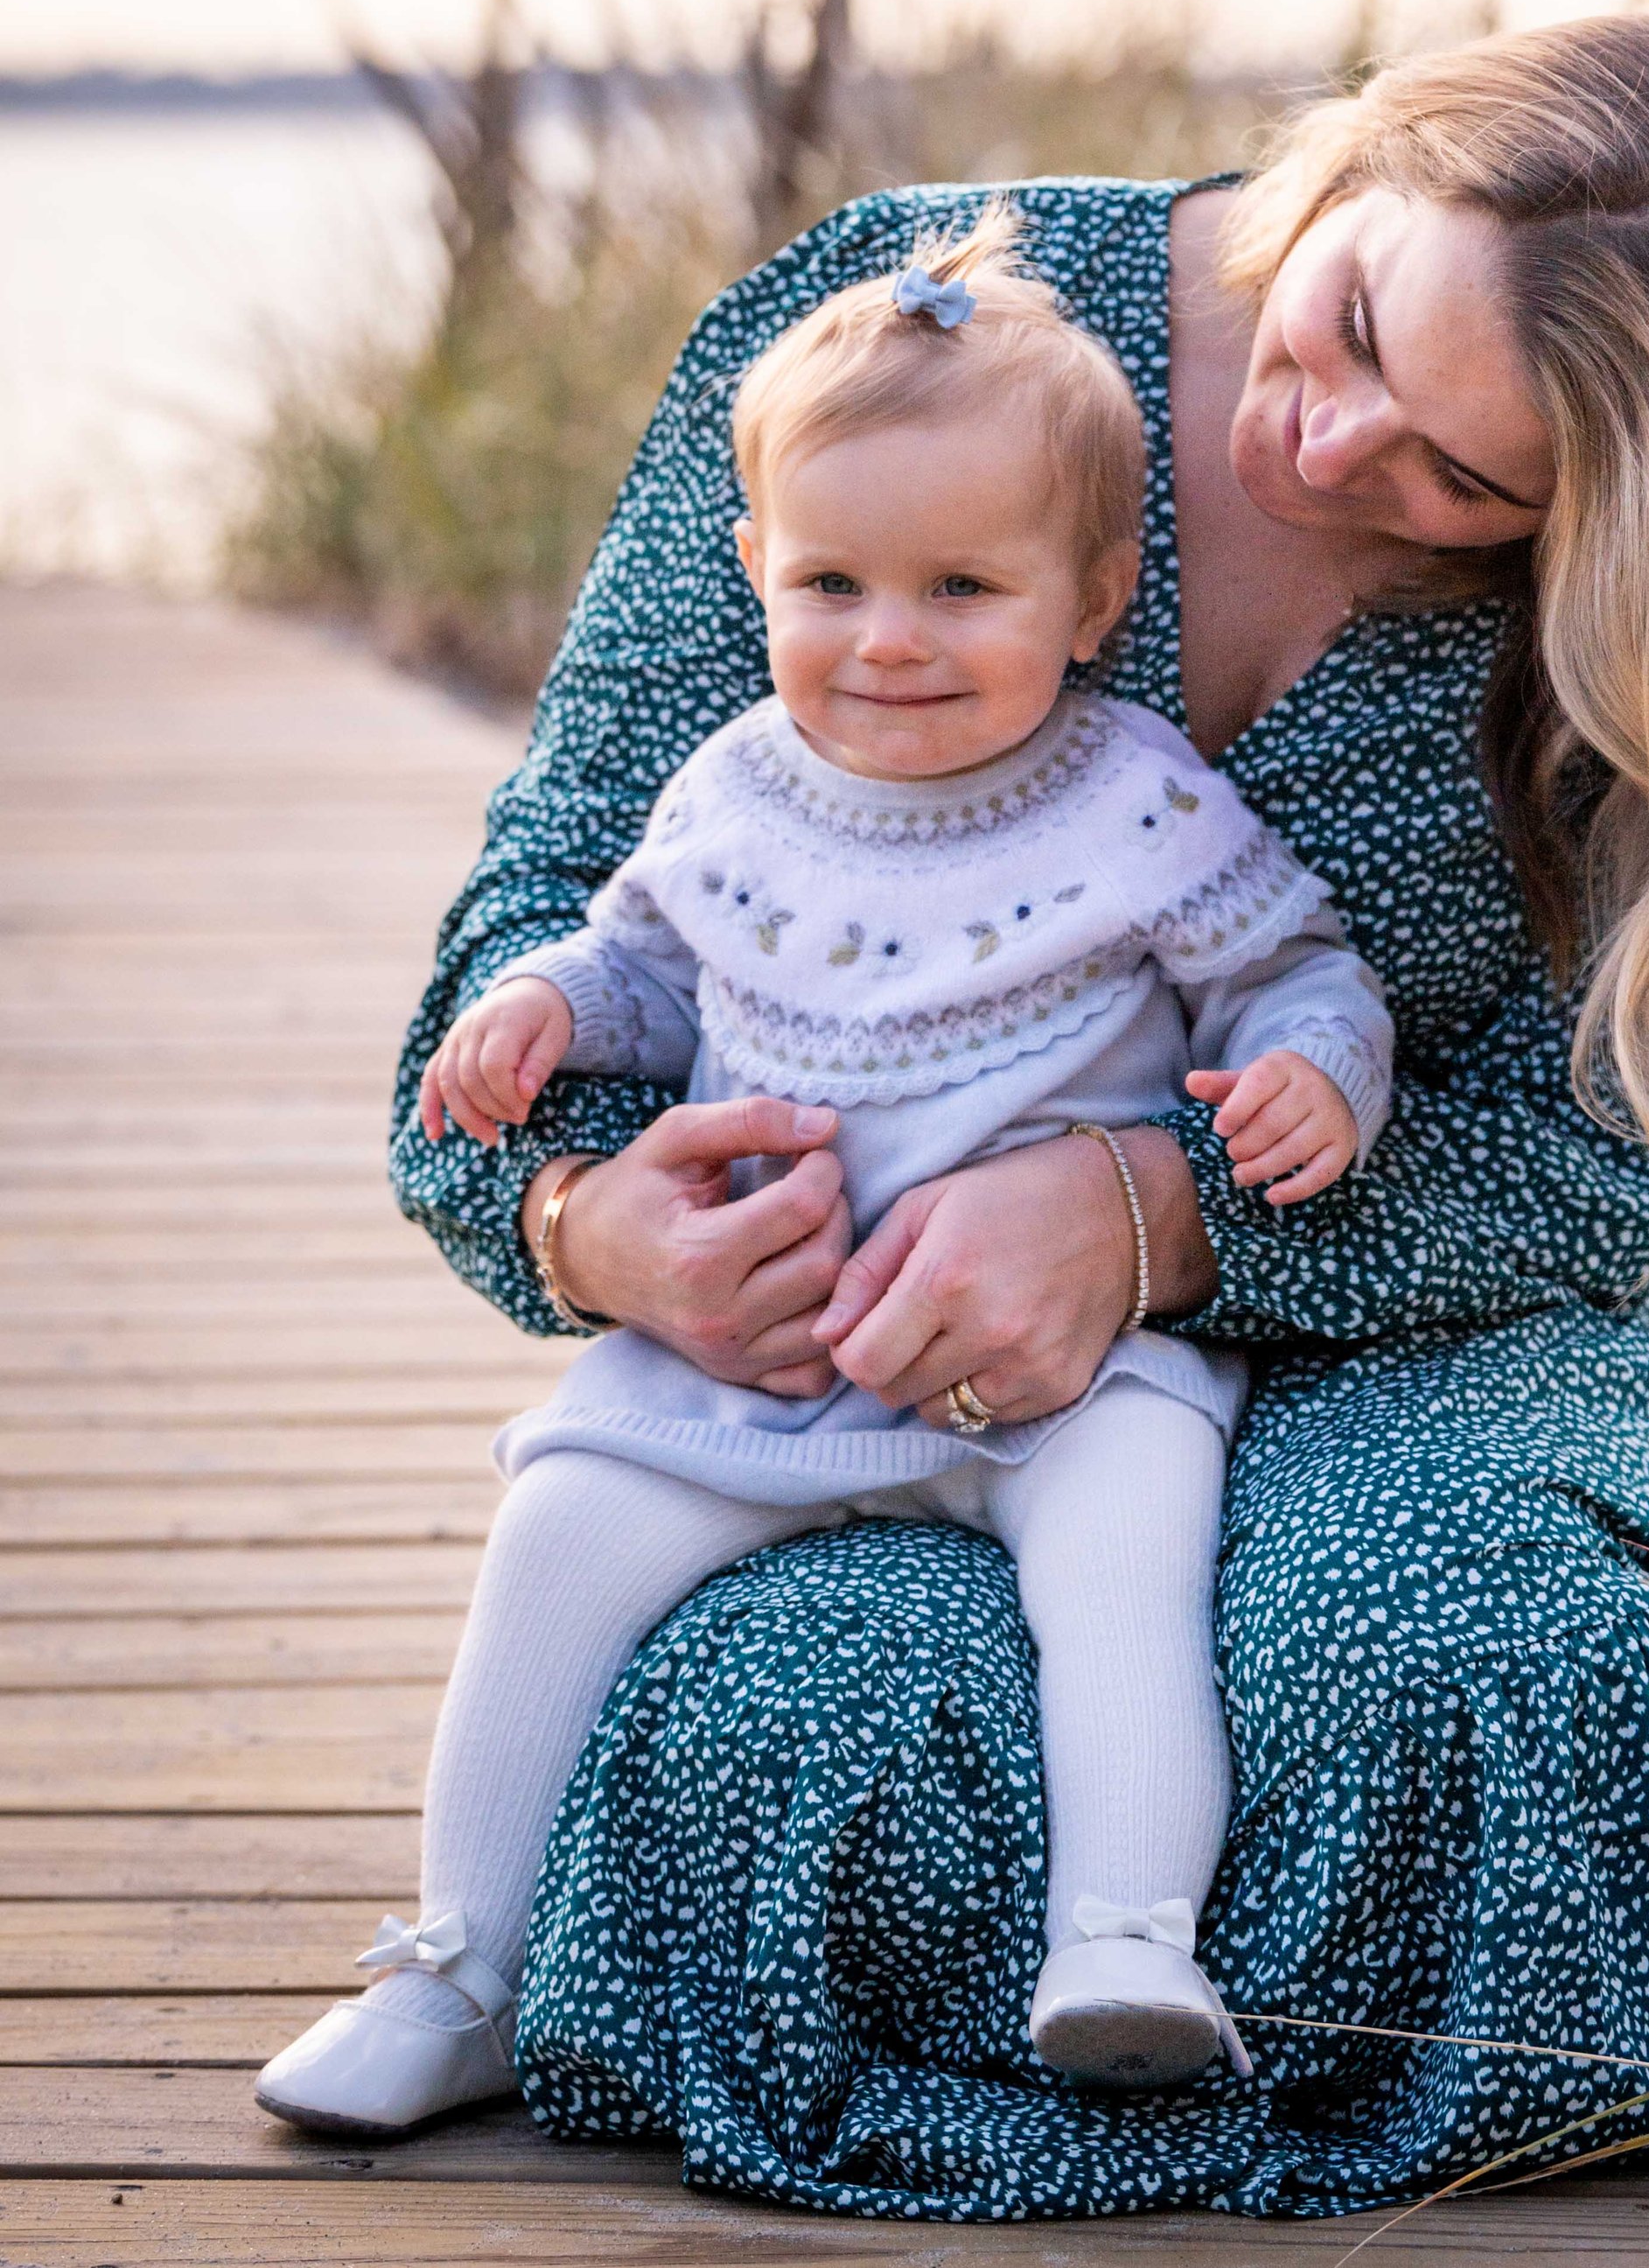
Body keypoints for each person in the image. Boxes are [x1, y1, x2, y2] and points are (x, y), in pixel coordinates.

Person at [369, 20, 1649, 2216]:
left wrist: (1158, 1215)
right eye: (1344, 329)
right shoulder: (891, 331)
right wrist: (578, 1219)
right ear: (1377, 149)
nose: (1326, 450)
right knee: (795, 1756)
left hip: (1433, 1339)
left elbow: (1622, 1148)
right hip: (865, 1355)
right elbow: (569, 888)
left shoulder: (1643, 594)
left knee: (1449, 1683)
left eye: (1464, 483)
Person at [255, 204, 1391, 2137]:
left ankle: (1125, 1939)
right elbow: (639, 962)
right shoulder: (730, 785)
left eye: (962, 585)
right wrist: (539, 1009)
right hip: (751, 1359)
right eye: (833, 581)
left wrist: (1313, 1072)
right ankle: (453, 1966)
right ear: (754, 570)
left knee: (1132, 1558)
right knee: (554, 1544)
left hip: (1057, 1371)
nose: (887, 639)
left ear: (1093, 593)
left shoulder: (1136, 797)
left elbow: (1296, 963)